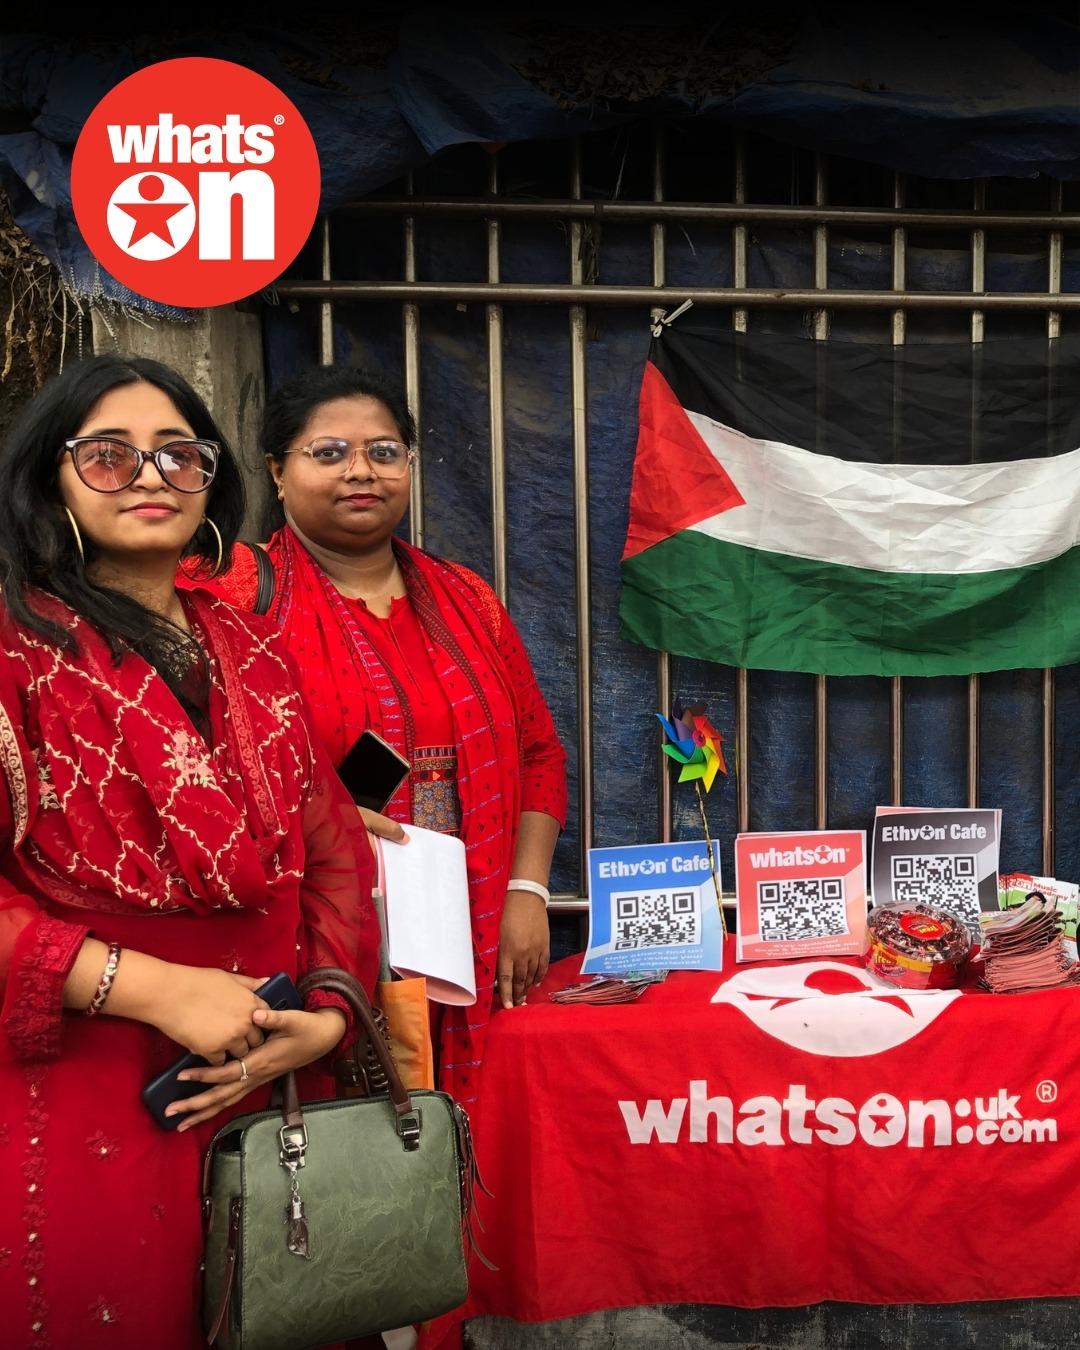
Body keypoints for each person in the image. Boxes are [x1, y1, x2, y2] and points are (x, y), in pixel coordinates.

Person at [0, 355, 380, 1350]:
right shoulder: (12, 651)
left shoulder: (250, 648)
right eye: (108, 455)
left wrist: (328, 1014)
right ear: (48, 478)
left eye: (179, 455)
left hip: (270, 1061)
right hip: (92, 1073)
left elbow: (332, 848)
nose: (151, 478)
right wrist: (154, 989)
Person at [192, 364, 567, 1105]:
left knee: (472, 1128)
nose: (360, 471)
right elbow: (186, 770)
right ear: (277, 470)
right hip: (321, 933)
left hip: (475, 929)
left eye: (384, 452)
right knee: (351, 1136)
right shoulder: (232, 594)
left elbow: (537, 751)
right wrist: (318, 821)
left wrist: (527, 891)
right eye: (329, 452)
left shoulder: (467, 598)